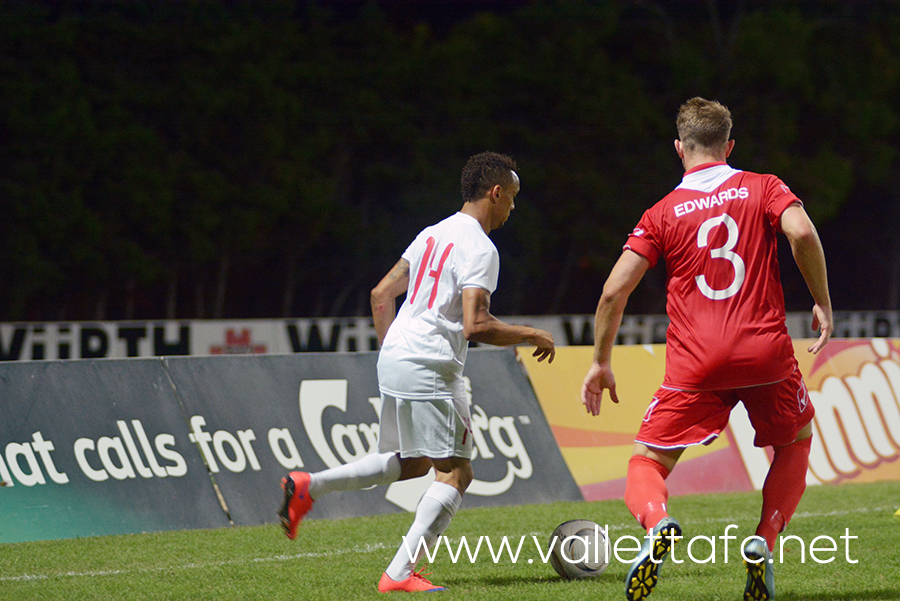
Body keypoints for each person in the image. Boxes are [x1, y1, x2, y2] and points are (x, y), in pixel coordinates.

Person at [580, 98, 832, 601]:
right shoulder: (762, 185)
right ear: (730, 146)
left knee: (647, 460)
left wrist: (601, 361)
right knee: (796, 441)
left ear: (679, 148)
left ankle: (657, 525)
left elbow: (613, 291)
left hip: (696, 363)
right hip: (765, 355)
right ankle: (763, 542)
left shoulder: (660, 212)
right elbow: (801, 231)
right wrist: (821, 301)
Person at [279, 151, 555, 593]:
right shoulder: (481, 247)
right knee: (456, 473)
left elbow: (380, 294)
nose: (513, 209)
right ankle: (400, 573)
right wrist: (532, 334)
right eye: (513, 199)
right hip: (429, 365)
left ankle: (310, 486)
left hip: (395, 358)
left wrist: (395, 348)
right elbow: (476, 325)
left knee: (412, 463)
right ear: (496, 193)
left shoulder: (431, 234)